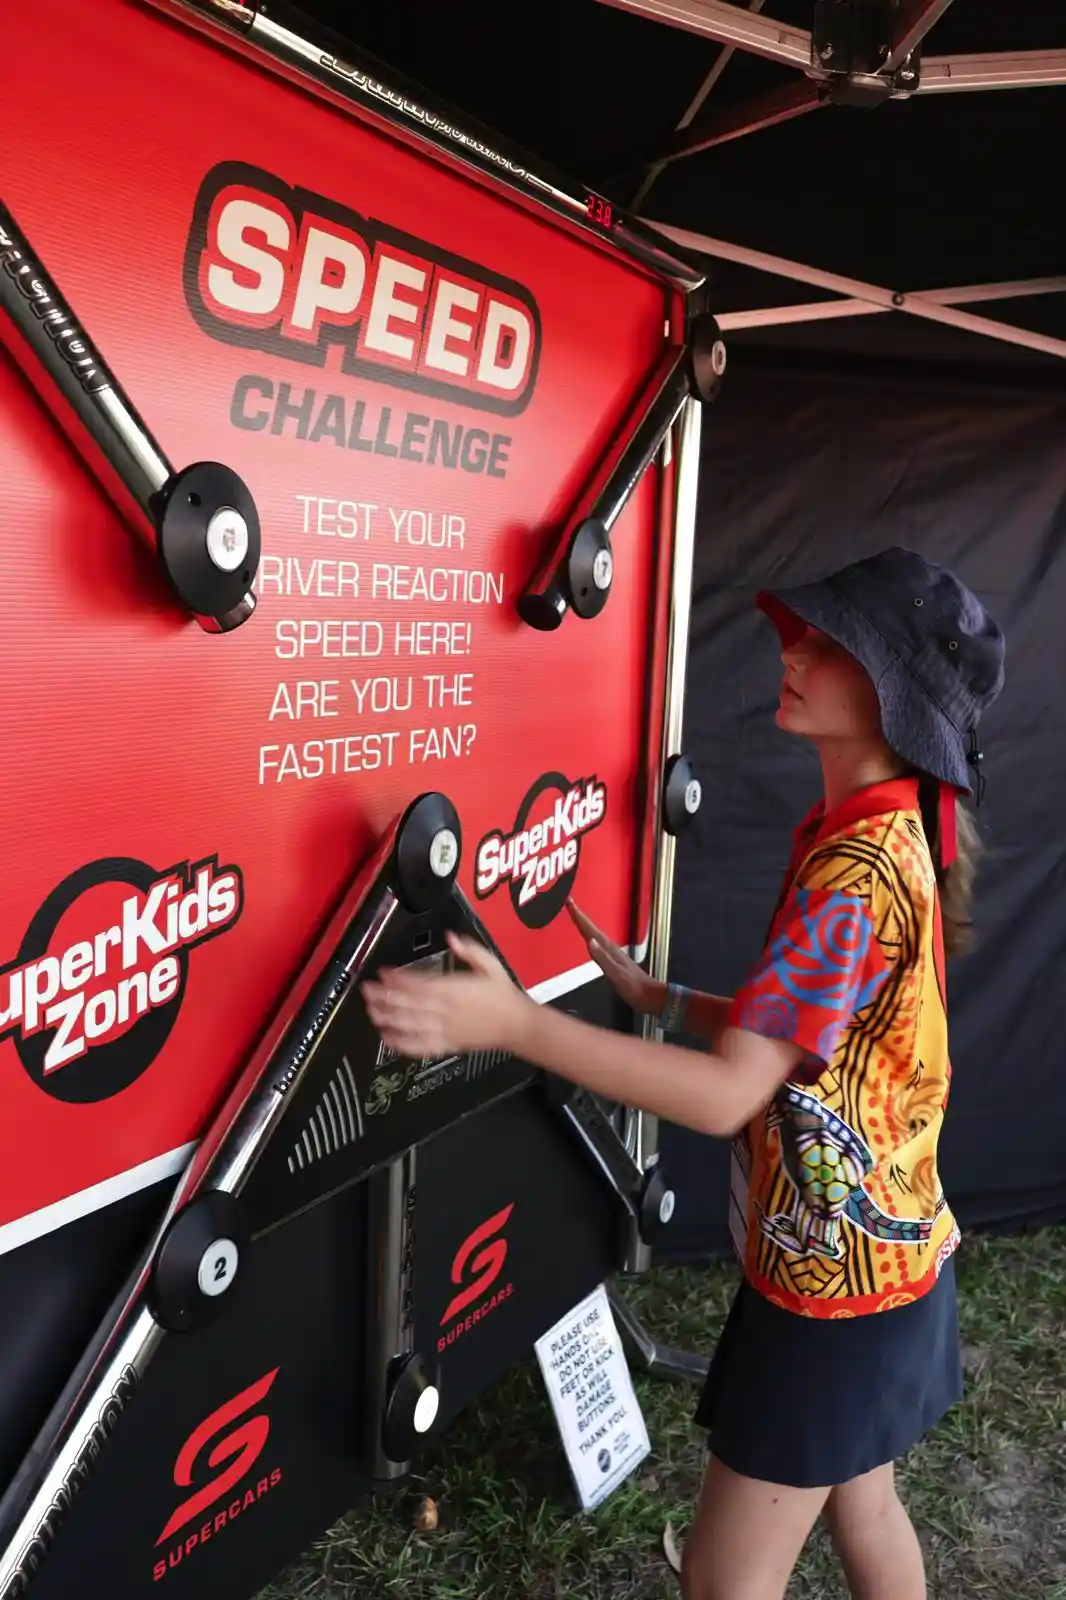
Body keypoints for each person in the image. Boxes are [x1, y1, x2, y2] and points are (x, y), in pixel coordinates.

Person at [362, 547, 1006, 1600]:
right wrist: (666, 1004)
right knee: (865, 1505)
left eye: (831, 646)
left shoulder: (851, 869)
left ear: (893, 700)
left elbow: (727, 1094)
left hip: (829, 1299)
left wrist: (515, 1023)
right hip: (889, 1266)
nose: (792, 651)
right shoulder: (888, 835)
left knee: (722, 1579)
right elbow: (808, 1040)